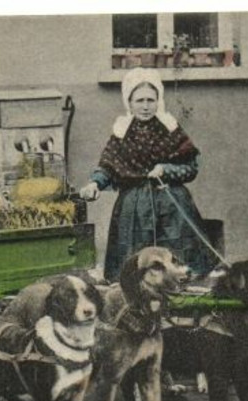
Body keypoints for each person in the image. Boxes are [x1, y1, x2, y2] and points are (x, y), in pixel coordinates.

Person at [77, 68, 216, 281]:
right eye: (139, 100)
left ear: (158, 101)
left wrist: (166, 170)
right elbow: (108, 166)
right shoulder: (121, 133)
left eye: (150, 100)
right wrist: (95, 184)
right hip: (133, 210)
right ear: (129, 102)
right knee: (136, 269)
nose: (145, 106)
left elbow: (191, 167)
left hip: (171, 208)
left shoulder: (170, 129)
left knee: (179, 264)